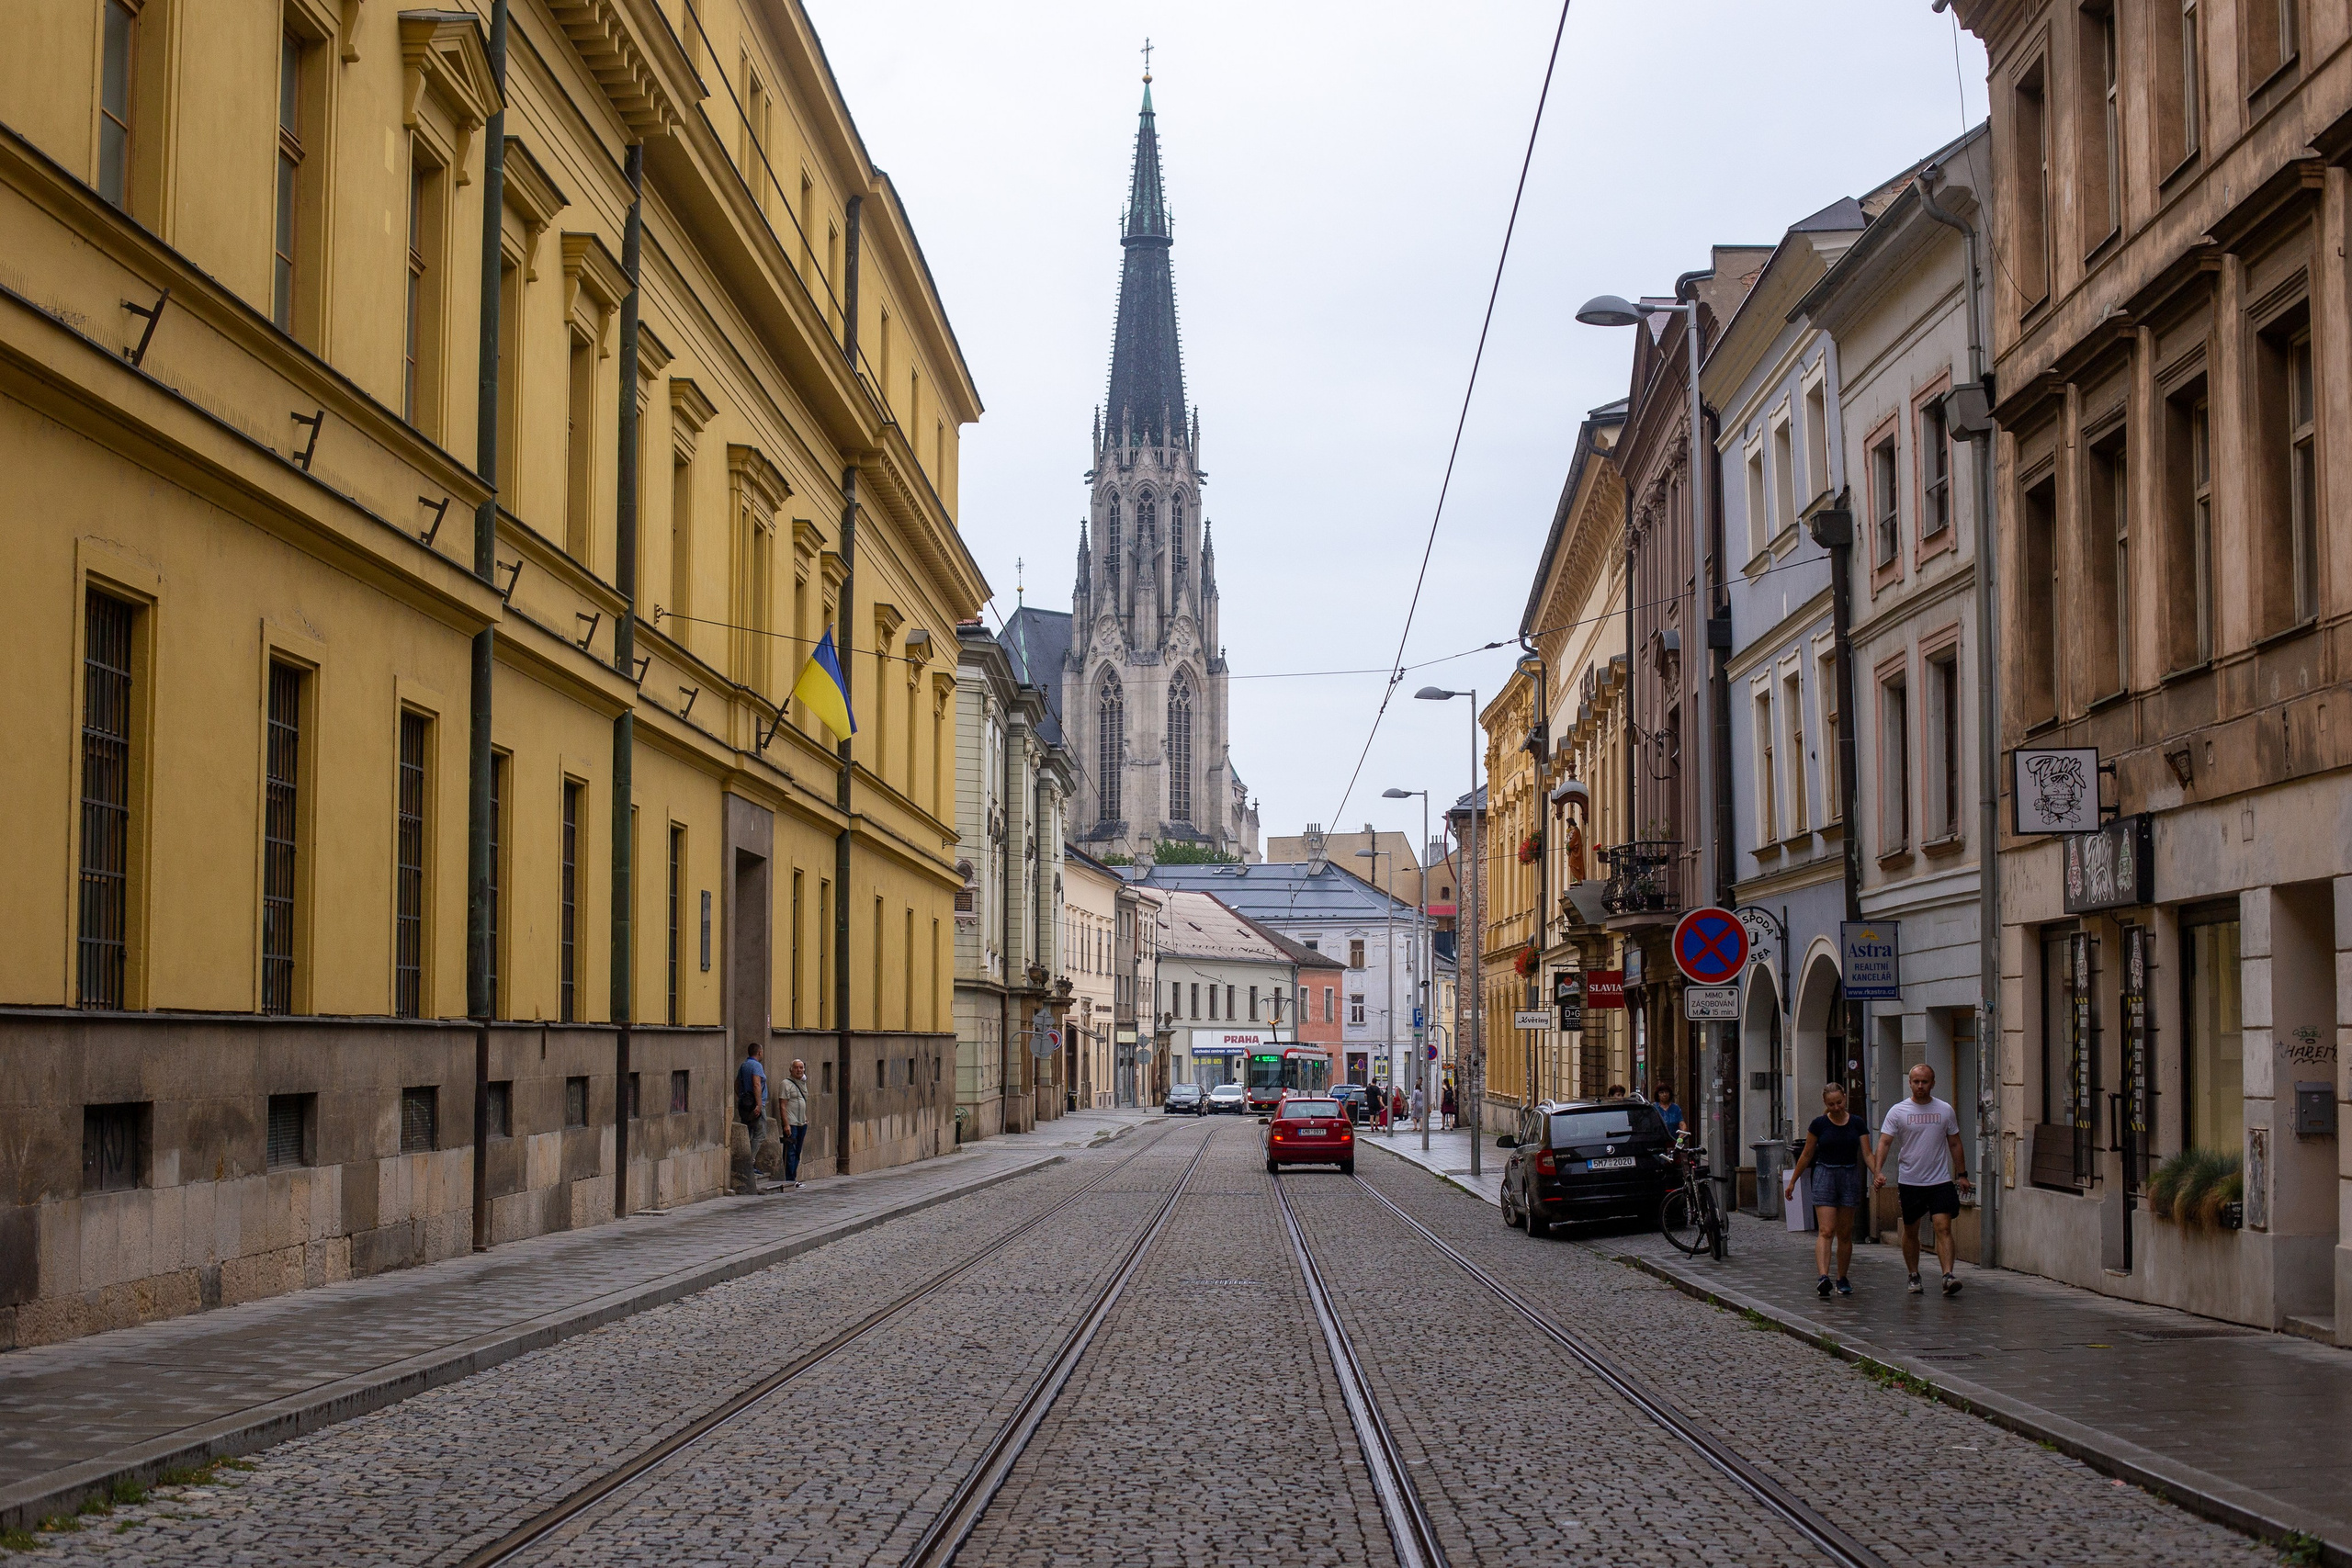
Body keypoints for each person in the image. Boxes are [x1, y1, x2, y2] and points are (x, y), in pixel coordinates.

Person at [1875, 1062, 1974, 1296]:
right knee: (1911, 1231)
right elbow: (1885, 1142)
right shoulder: (1898, 1111)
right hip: (1910, 1180)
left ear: (1933, 1083)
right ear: (1909, 1083)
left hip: (1939, 1180)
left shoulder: (1944, 1110)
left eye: (1925, 1082)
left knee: (1943, 1227)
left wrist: (1962, 1175)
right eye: (1916, 1082)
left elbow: (1954, 1142)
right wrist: (1877, 1171)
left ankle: (1948, 1275)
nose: (1920, 1086)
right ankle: (1913, 1274)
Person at [1785, 1082, 1872, 1295]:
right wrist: (1793, 1180)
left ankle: (1842, 1277)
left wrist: (1877, 1174)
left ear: (1845, 1097)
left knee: (1844, 1233)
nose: (1836, 1107)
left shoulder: (1857, 1123)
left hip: (1849, 1175)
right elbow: (1806, 1154)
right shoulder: (1819, 1124)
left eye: (1839, 1102)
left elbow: (1867, 1153)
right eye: (1831, 1104)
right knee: (1826, 1230)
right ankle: (1823, 1277)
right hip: (1825, 1174)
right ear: (1825, 1103)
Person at [732, 1041, 767, 1196]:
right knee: (760, 1133)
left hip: (745, 1104)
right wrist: (758, 1104)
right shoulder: (756, 1066)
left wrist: (741, 1097)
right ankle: (750, 1161)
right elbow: (756, 1084)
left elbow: (736, 1084)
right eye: (762, 1052)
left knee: (749, 1132)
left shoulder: (743, 1065)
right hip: (755, 1104)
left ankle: (748, 1162)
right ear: (759, 1052)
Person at [778, 1058, 810, 1185]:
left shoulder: (802, 1083)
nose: (799, 1070)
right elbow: (782, 1105)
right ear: (791, 1069)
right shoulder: (786, 1084)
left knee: (797, 1151)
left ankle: (793, 1177)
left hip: (802, 1122)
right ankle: (789, 1179)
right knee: (790, 1151)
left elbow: (802, 1101)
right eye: (796, 1067)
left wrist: (805, 1117)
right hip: (791, 1123)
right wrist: (786, 1124)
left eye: (801, 1068)